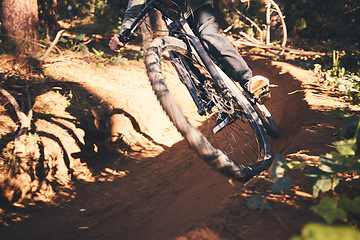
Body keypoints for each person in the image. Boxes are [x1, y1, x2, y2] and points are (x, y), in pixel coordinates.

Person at [109, 0, 270, 133]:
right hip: (174, 20)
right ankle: (215, 100)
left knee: (208, 36)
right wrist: (123, 33)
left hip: (198, 7)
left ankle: (247, 81)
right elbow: (132, 12)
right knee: (177, 55)